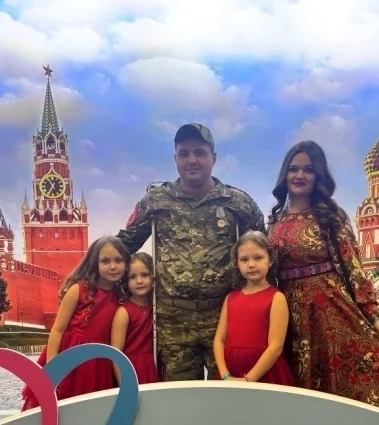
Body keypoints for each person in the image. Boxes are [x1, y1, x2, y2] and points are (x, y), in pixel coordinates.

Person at [266, 140, 379, 418]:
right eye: (294, 169)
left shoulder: (330, 216)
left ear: (318, 175)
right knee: (297, 387)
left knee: (339, 381)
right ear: (285, 174)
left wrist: (374, 318)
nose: (300, 175)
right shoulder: (274, 221)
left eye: (308, 169)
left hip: (329, 311)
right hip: (288, 315)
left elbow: (354, 267)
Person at [116, 123, 266, 381]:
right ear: (175, 159)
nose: (192, 160)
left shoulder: (237, 202)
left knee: (229, 392)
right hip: (173, 320)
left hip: (224, 317)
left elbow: (265, 251)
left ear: (213, 158)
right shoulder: (156, 200)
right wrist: (88, 279)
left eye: (200, 152)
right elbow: (124, 245)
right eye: (184, 153)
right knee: (180, 398)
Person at [21, 235, 130, 411]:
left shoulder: (122, 296)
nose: (113, 266)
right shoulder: (78, 289)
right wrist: (53, 366)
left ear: (126, 263)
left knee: (92, 411)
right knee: (59, 409)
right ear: (94, 263)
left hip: (99, 362)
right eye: (105, 261)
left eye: (118, 260)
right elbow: (58, 330)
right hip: (70, 358)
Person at [213, 231, 294, 385]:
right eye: (244, 259)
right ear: (236, 263)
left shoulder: (277, 298)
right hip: (230, 373)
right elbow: (219, 340)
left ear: (270, 260)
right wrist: (225, 375)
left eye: (258, 258)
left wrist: (249, 379)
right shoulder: (230, 298)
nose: (251, 265)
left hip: (265, 374)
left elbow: (275, 346)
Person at [110, 252, 161, 385]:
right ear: (126, 281)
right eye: (132, 277)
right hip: (132, 370)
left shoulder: (157, 308)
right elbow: (116, 354)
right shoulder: (124, 312)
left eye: (144, 275)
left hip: (155, 366)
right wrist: (125, 386)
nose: (139, 281)